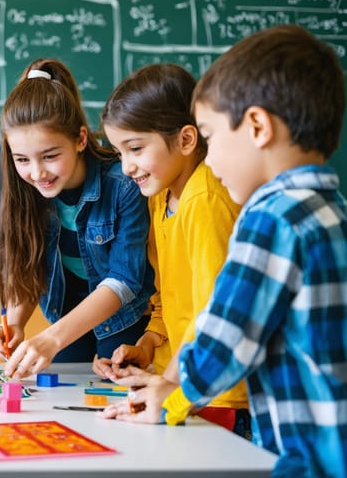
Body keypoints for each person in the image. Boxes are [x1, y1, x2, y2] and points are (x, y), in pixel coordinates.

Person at [99, 25, 347, 477]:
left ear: (256, 126)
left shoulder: (270, 218)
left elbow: (226, 332)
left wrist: (169, 396)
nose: (210, 160)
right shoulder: (331, 209)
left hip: (302, 453)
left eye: (213, 136)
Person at [93, 63, 251, 438]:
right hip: (179, 382)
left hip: (215, 394)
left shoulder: (206, 200)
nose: (127, 167)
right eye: (119, 153)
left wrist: (167, 386)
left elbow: (212, 316)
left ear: (185, 140)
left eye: (135, 149)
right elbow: (169, 298)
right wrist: (149, 344)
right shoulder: (160, 192)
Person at [0, 58, 153, 378]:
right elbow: (28, 264)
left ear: (80, 139)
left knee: (115, 391)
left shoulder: (123, 184)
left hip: (122, 314)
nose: (37, 173)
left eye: (50, 156)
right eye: (22, 159)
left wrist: (51, 338)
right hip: (65, 311)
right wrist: (15, 322)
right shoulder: (22, 190)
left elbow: (125, 281)